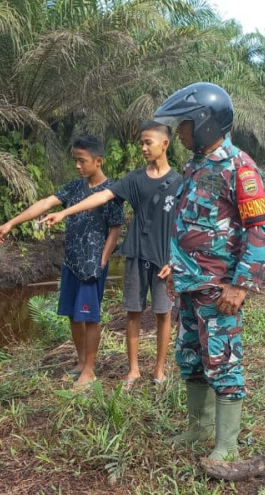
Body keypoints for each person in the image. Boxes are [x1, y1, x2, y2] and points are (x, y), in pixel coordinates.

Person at [153, 82, 265, 464]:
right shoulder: (195, 165)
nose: (180, 132)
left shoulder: (240, 167)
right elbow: (191, 222)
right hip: (189, 284)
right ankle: (198, 428)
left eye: (185, 125)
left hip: (219, 288)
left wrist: (240, 285)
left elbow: (260, 229)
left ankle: (227, 444)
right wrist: (175, 263)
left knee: (223, 360)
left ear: (205, 122)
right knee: (190, 357)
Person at [40, 122, 183, 390]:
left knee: (163, 313)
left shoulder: (179, 182)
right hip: (136, 254)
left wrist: (176, 260)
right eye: (141, 142)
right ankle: (133, 370)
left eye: (148, 142)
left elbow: (185, 224)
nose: (143, 147)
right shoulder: (134, 179)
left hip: (165, 260)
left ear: (165, 144)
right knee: (133, 312)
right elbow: (101, 197)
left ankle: (160, 370)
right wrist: (65, 212)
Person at [0, 135, 123, 388]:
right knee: (72, 314)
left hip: (92, 265)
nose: (78, 166)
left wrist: (104, 259)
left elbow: (115, 230)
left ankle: (90, 371)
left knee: (90, 317)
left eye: (82, 161)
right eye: (75, 161)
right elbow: (46, 203)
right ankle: (81, 362)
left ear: (99, 161)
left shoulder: (112, 191)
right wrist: (10, 223)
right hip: (71, 262)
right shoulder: (74, 187)